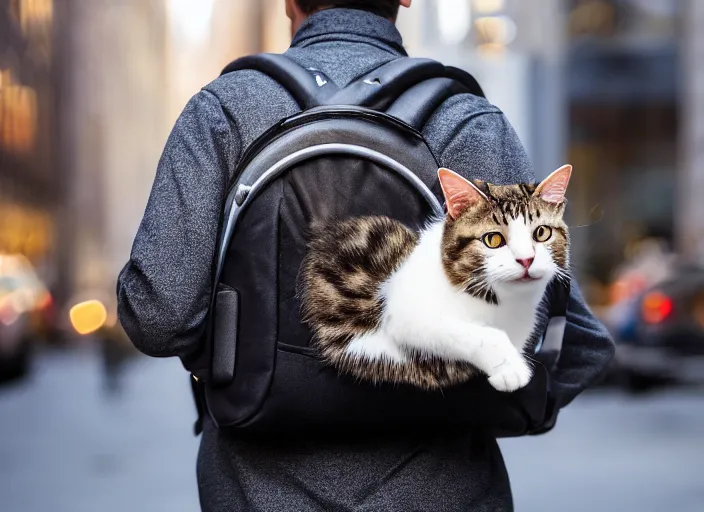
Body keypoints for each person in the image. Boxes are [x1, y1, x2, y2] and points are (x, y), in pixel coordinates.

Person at [117, 1, 615, 510]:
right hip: (445, 486)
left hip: (255, 486)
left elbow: (159, 317)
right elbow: (575, 343)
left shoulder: (224, 110)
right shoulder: (468, 121)